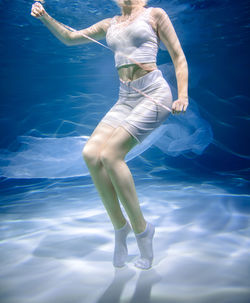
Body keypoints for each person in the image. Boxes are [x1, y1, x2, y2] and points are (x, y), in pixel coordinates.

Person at [31, 0, 189, 270]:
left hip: (154, 93)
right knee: (91, 154)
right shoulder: (110, 24)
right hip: (125, 97)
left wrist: (183, 95)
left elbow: (178, 56)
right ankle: (120, 228)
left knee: (111, 154)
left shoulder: (155, 15)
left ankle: (142, 230)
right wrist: (44, 16)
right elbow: (70, 38)